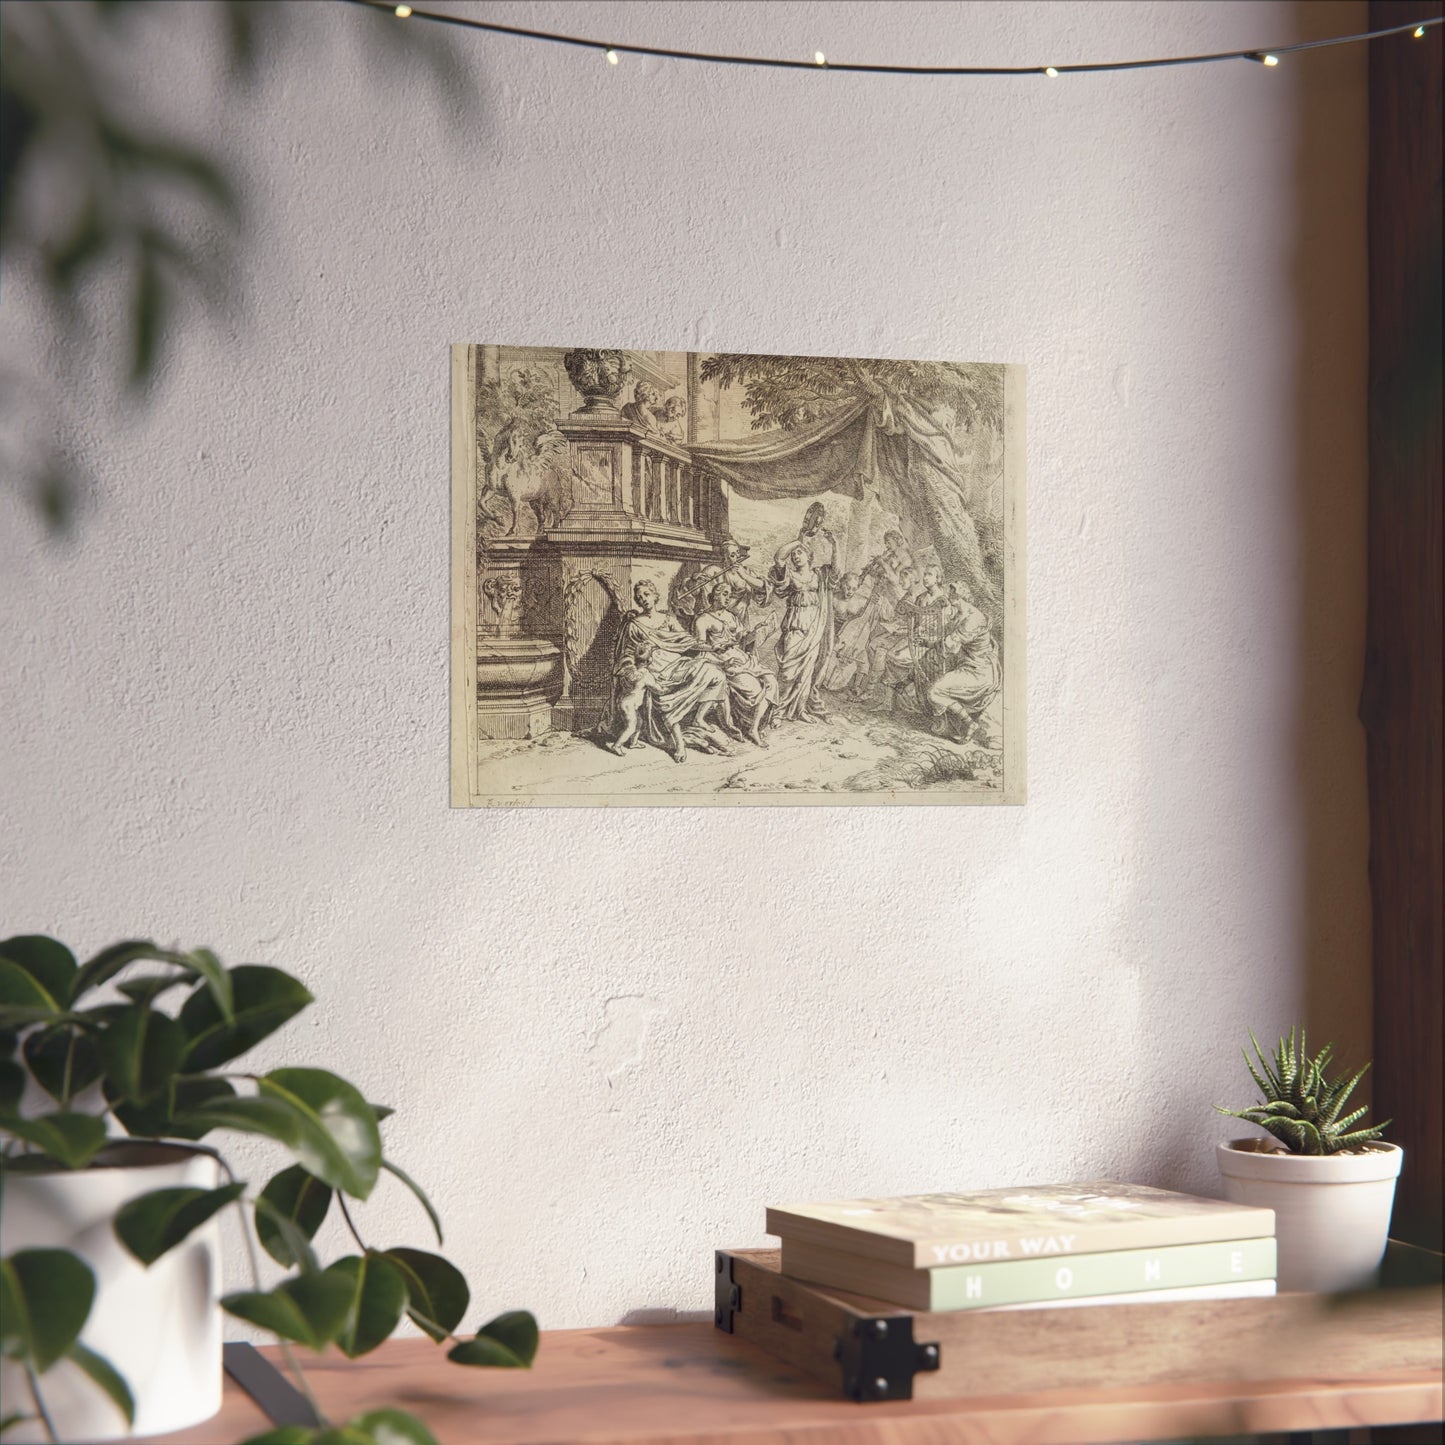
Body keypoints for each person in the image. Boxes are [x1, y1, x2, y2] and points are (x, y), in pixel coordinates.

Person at [605, 580, 733, 761]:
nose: (643, 599)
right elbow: (627, 654)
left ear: (655, 596)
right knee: (666, 698)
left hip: (677, 664)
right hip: (655, 670)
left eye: (646, 594)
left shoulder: (668, 619)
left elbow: (688, 641)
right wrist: (631, 671)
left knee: (717, 675)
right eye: (639, 597)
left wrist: (713, 649)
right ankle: (680, 741)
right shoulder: (635, 625)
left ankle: (699, 718)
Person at [693, 580, 777, 745]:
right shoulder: (702, 619)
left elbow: (743, 639)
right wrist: (715, 647)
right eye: (724, 594)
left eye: (729, 595)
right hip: (725, 662)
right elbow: (698, 645)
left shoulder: (731, 616)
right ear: (715, 595)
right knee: (754, 690)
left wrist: (760, 630)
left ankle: (753, 728)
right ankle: (750, 727)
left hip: (743, 659)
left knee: (772, 682)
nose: (727, 598)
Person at [926, 586, 1002, 746]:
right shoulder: (962, 614)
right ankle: (962, 723)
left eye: (953, 592)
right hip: (969, 666)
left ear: (961, 596)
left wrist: (929, 643)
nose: (950, 594)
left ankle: (970, 724)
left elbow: (950, 646)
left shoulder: (973, 620)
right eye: (951, 591)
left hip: (979, 672)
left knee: (934, 692)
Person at [770, 541, 831, 722]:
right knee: (787, 672)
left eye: (799, 553)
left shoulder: (818, 575)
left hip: (814, 625)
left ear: (808, 556)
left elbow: (836, 570)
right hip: (795, 625)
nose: (795, 556)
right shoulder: (789, 575)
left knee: (806, 673)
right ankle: (778, 711)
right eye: (794, 554)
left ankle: (801, 709)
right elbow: (779, 558)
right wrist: (798, 540)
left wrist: (833, 543)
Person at [821, 572, 872, 693]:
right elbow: (825, 619)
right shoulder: (833, 598)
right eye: (848, 587)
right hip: (832, 631)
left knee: (863, 658)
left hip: (848, 637)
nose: (850, 591)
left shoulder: (860, 601)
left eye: (854, 589)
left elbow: (864, 623)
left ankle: (857, 686)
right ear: (842, 584)